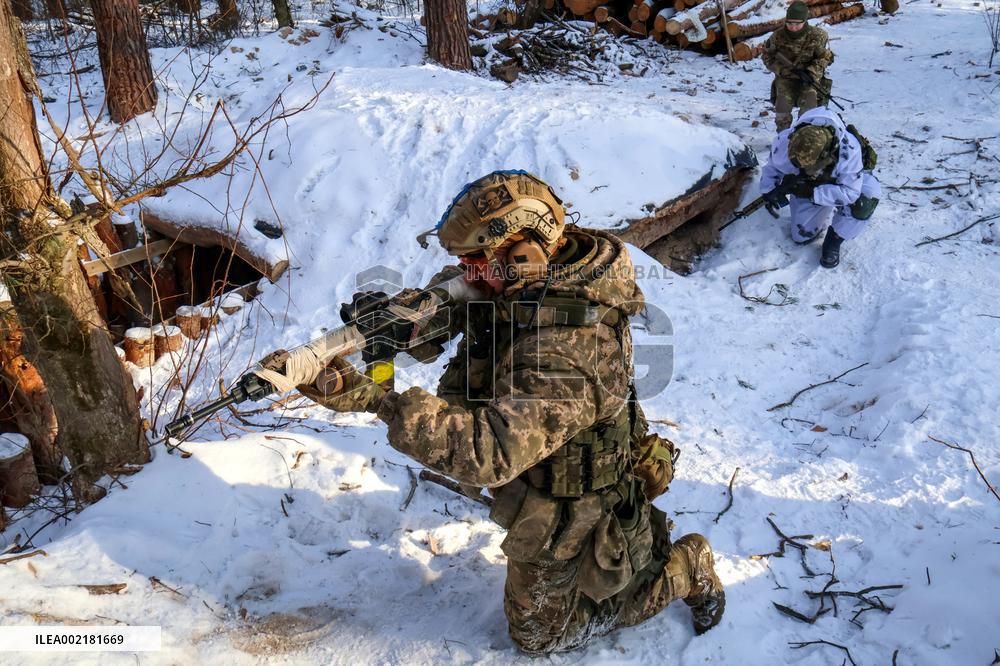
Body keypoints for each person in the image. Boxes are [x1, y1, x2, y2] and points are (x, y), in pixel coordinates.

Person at [298, 170, 726, 653]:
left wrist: (376, 399)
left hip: (573, 496)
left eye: (477, 260)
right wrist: (400, 323)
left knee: (538, 636)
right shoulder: (526, 278)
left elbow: (488, 453)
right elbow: (456, 300)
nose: (467, 273)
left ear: (524, 252)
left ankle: (684, 567)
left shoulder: (571, 346)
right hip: (537, 460)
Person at [760, 108, 881, 268]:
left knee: (866, 199)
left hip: (847, 182)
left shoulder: (849, 150)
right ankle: (821, 208)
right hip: (809, 183)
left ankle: (834, 239)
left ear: (825, 154)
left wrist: (811, 193)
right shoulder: (783, 141)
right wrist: (769, 189)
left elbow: (850, 192)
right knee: (802, 236)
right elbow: (772, 168)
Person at [762, 0, 835, 132]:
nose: (793, 27)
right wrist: (782, 70)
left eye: (797, 24)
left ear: (805, 21)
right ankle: (782, 136)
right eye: (789, 23)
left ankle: (802, 134)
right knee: (782, 107)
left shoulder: (818, 36)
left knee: (809, 105)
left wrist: (812, 72)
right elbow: (767, 56)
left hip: (809, 78)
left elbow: (825, 58)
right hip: (786, 77)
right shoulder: (777, 36)